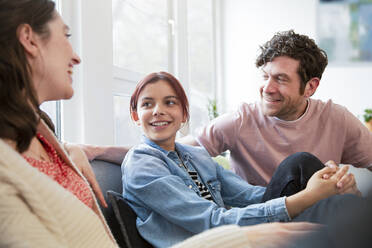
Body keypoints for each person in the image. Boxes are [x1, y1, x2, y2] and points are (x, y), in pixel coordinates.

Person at [79, 30, 372, 187]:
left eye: (281, 79)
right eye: (265, 76)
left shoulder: (337, 119)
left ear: (310, 87)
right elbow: (169, 151)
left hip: (318, 220)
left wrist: (346, 185)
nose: (267, 88)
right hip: (262, 218)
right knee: (303, 164)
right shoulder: (242, 120)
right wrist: (96, 151)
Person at [122, 71, 361, 248]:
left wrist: (316, 188)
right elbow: (212, 221)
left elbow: (249, 196)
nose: (158, 111)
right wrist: (307, 197)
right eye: (147, 104)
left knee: (307, 170)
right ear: (135, 115)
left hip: (233, 234)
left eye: (170, 102)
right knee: (336, 204)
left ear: (184, 114)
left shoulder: (194, 155)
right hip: (213, 242)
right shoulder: (142, 164)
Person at [0, 0, 116, 246]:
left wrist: (68, 149)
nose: (76, 57)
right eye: (66, 35)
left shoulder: (43, 137)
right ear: (29, 39)